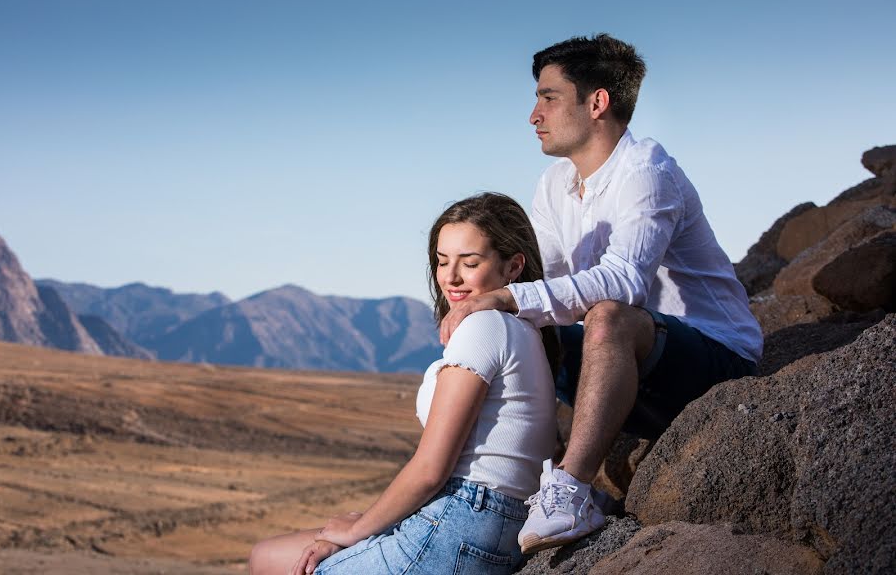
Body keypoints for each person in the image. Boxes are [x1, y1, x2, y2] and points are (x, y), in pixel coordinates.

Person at [439, 34, 764, 554]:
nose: (533, 115)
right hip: (632, 378)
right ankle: (499, 484)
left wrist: (505, 298)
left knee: (607, 315)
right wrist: (483, 303)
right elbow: (543, 283)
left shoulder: (648, 172)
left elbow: (623, 282)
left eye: (548, 97)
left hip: (714, 363)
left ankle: (569, 491)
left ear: (597, 102)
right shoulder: (554, 184)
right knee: (517, 324)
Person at [249, 192, 559, 575]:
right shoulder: (526, 332)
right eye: (442, 261)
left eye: (470, 262)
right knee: (266, 557)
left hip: (464, 517)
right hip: (488, 521)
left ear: (513, 267)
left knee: (306, 565)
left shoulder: (484, 326)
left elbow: (432, 469)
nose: (451, 277)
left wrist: (359, 529)